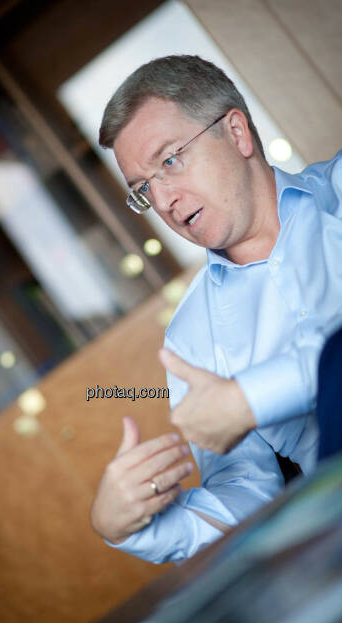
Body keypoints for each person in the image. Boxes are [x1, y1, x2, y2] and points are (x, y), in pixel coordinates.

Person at [90, 55, 342, 564]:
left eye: (169, 161)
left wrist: (250, 398)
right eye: (143, 189)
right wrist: (129, 526)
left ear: (236, 132)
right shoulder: (190, 339)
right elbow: (247, 493)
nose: (163, 200)